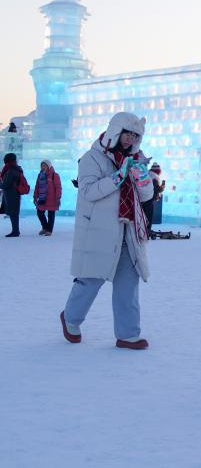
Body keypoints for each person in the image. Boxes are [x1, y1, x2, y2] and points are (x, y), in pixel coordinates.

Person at [60, 112, 155, 350]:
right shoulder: (92, 158)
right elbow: (88, 191)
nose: (130, 139)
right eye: (127, 133)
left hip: (128, 231)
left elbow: (146, 196)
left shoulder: (136, 159)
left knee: (128, 283)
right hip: (99, 230)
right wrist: (119, 176)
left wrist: (143, 180)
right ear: (115, 131)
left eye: (135, 136)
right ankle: (70, 317)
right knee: (91, 279)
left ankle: (128, 334)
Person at [34, 159, 62, 236]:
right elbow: (37, 186)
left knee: (51, 214)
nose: (43, 167)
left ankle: (49, 230)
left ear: (48, 166)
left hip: (52, 199)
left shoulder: (54, 175)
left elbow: (58, 187)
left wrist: (58, 198)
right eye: (42, 165)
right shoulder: (40, 175)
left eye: (44, 165)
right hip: (42, 199)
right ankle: (45, 227)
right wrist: (35, 196)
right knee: (39, 213)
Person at [1, 153, 25, 237]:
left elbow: (6, 184)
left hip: (12, 195)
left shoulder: (11, 170)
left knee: (13, 213)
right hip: (13, 194)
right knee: (13, 213)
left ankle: (15, 231)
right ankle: (15, 231)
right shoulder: (15, 168)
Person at [141, 162, 166, 238]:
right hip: (149, 199)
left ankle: (143, 230)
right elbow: (158, 189)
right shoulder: (154, 178)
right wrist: (163, 185)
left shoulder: (148, 174)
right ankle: (147, 231)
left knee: (144, 216)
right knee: (149, 216)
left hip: (143, 199)